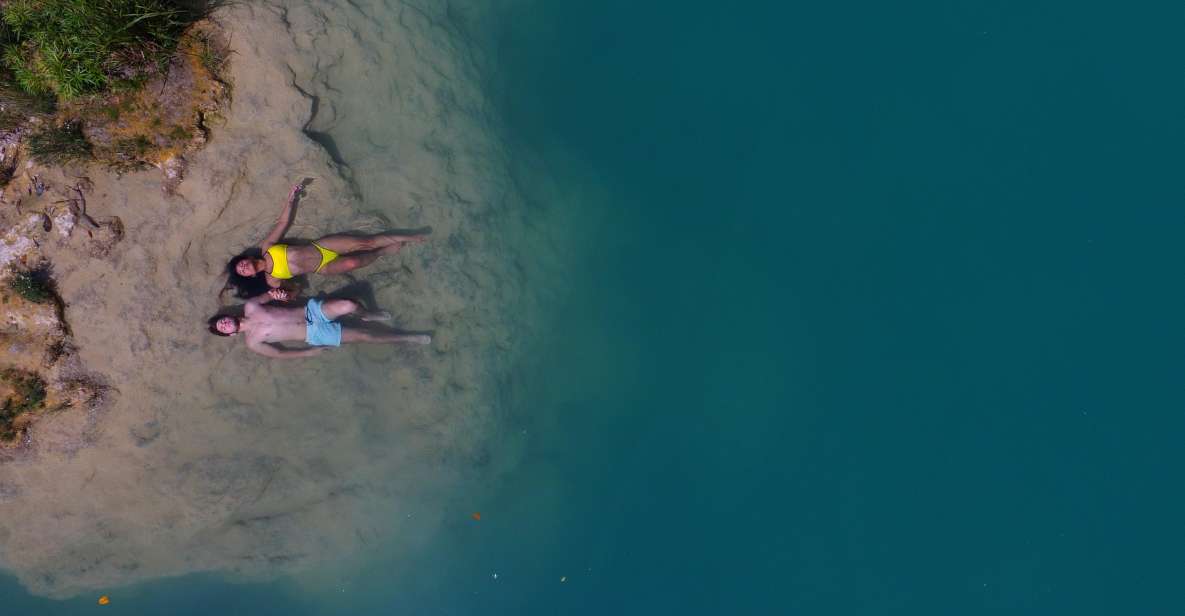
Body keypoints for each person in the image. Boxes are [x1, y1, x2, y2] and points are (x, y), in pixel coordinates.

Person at [224, 182, 427, 298]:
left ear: (245, 258)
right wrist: (286, 297)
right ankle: (383, 252)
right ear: (249, 276)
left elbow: (282, 223)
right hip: (322, 267)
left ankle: (411, 236)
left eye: (240, 264)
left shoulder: (266, 248)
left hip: (321, 247)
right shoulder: (271, 280)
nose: (243, 267)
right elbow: (297, 289)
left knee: (365, 242)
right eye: (242, 271)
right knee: (354, 262)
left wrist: (290, 200)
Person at [209, 287, 431, 358]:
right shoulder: (253, 342)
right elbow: (280, 355)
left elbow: (271, 295)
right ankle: (408, 337)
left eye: (223, 322)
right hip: (314, 335)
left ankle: (367, 315)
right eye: (223, 328)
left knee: (350, 304)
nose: (225, 325)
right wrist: (307, 353)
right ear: (229, 334)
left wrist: (281, 293)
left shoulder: (251, 306)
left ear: (228, 316)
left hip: (310, 312)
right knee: (366, 337)